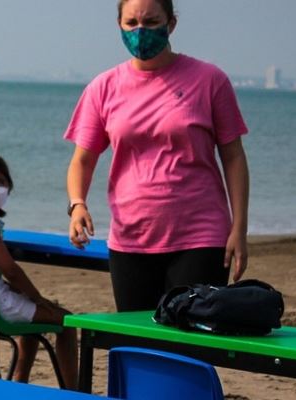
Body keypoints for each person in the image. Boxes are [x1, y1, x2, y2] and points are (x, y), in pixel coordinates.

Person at [63, 0, 250, 312]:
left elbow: (233, 157)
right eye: (131, 23)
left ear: (171, 24)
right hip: (130, 238)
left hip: (201, 237)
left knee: (191, 344)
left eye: (151, 22)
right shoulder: (103, 87)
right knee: (142, 344)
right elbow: (82, 160)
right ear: (119, 25)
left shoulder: (209, 80)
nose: (140, 32)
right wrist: (77, 204)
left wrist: (239, 229)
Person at [0, 153, 78, 388]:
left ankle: (18, 383)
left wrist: (29, 297)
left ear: (9, 187)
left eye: (0, 183)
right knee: (67, 321)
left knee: (33, 319)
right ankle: (74, 392)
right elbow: (10, 269)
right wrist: (37, 298)